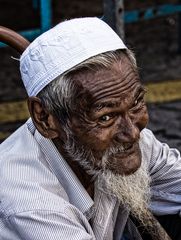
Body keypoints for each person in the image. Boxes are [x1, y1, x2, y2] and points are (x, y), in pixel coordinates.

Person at [0, 17, 181, 240]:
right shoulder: (31, 205)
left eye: (136, 103)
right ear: (45, 118)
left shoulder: (126, 138)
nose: (132, 133)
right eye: (105, 117)